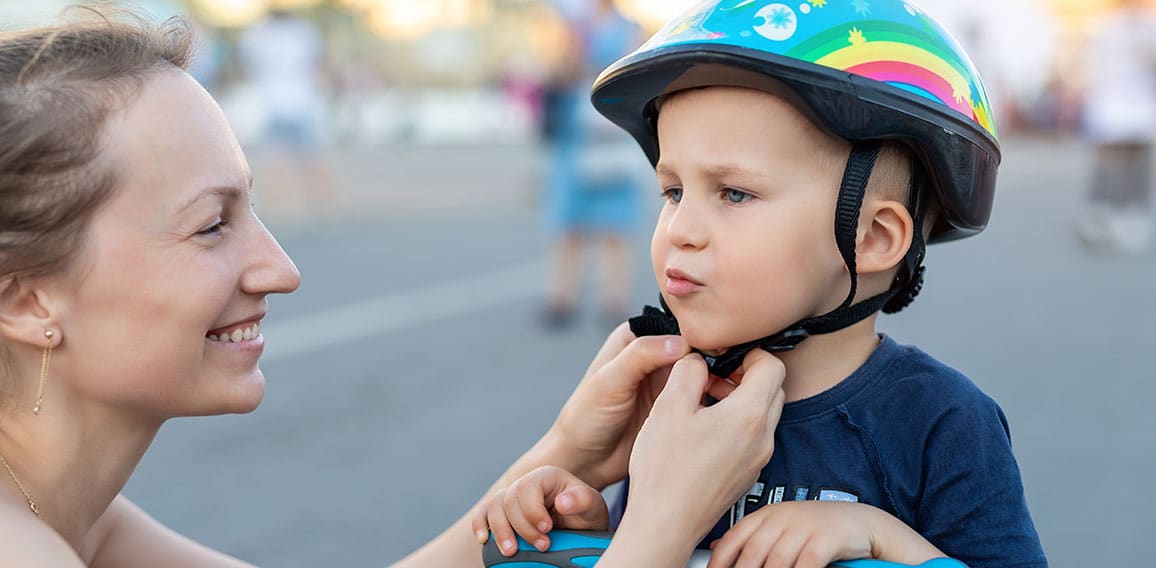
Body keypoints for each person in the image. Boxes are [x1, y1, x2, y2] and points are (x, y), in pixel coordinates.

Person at [0, 10, 783, 567]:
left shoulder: (73, 517)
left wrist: (569, 454)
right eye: (212, 225)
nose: (281, 269)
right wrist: (663, 519)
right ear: (25, 300)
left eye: (252, 210)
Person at [479, 1, 1047, 566]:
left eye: (734, 193)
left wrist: (879, 536)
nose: (681, 230)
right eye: (673, 191)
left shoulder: (942, 422)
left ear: (872, 237)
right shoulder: (672, 400)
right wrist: (599, 537)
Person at [539, 0, 644, 329]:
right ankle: (561, 296)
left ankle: (615, 298)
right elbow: (556, 74)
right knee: (569, 223)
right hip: (575, 139)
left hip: (611, 136)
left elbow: (633, 72)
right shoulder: (571, 27)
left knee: (616, 225)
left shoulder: (630, 29)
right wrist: (573, 46)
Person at [237, 6, 336, 225]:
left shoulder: (256, 34)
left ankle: (284, 214)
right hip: (303, 103)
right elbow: (321, 66)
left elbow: (246, 66)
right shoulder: (304, 31)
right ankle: (323, 209)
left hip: (272, 105)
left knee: (275, 163)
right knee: (312, 159)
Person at [1075, 0, 1156, 255]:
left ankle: (1127, 217)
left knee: (1135, 167)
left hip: (1136, 108)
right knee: (1110, 167)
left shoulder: (1143, 27)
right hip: (1114, 107)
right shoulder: (1110, 28)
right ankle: (1100, 218)